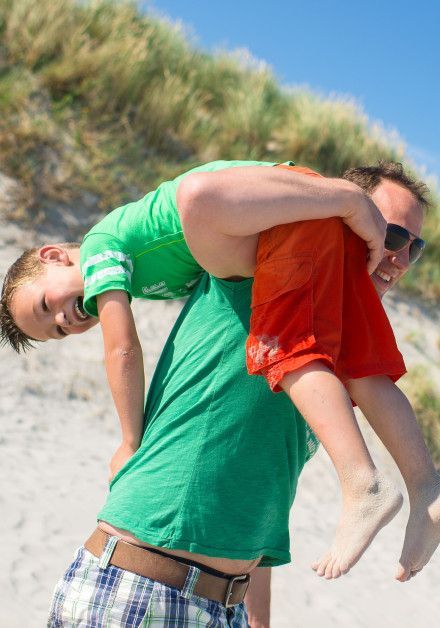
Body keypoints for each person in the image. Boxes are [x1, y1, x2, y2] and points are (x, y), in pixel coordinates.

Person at [1, 162, 439, 586]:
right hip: (148, 574)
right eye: (389, 232)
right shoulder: (237, 260)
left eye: (413, 248)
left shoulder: (338, 319)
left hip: (220, 592)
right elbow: (199, 201)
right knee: (298, 353)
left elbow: (254, 467)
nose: (397, 255)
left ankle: (418, 490)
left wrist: (251, 608)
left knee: (340, 366)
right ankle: (378, 483)